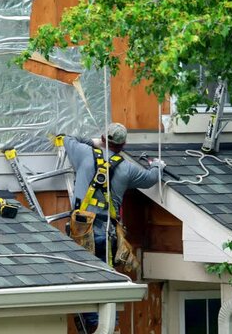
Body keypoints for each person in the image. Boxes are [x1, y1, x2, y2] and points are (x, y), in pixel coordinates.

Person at [62, 122, 165, 333]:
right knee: (108, 278)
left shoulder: (84, 154)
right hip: (107, 232)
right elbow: (151, 179)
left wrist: (95, 142)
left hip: (82, 230)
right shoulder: (126, 169)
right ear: (123, 144)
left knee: (86, 277)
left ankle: (92, 325)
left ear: (103, 137)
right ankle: (110, 325)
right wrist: (157, 165)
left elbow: (67, 138)